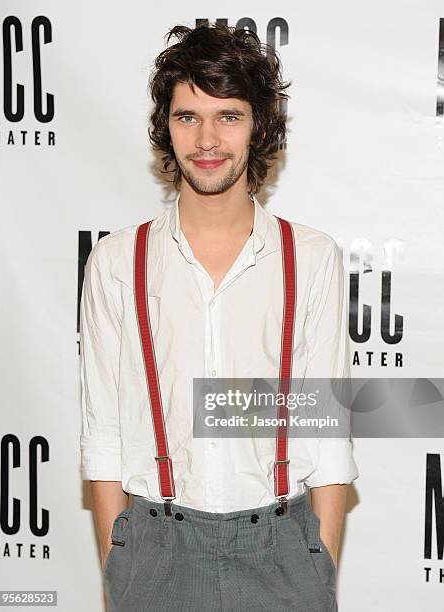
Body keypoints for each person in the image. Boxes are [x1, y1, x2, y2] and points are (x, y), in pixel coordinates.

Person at [79, 23, 359, 612]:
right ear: (167, 127)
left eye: (228, 116)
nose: (207, 139)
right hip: (154, 552)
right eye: (188, 117)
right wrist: (121, 559)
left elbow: (326, 434)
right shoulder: (115, 262)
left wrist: (318, 563)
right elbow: (103, 436)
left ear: (258, 126)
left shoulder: (310, 258)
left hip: (283, 552)